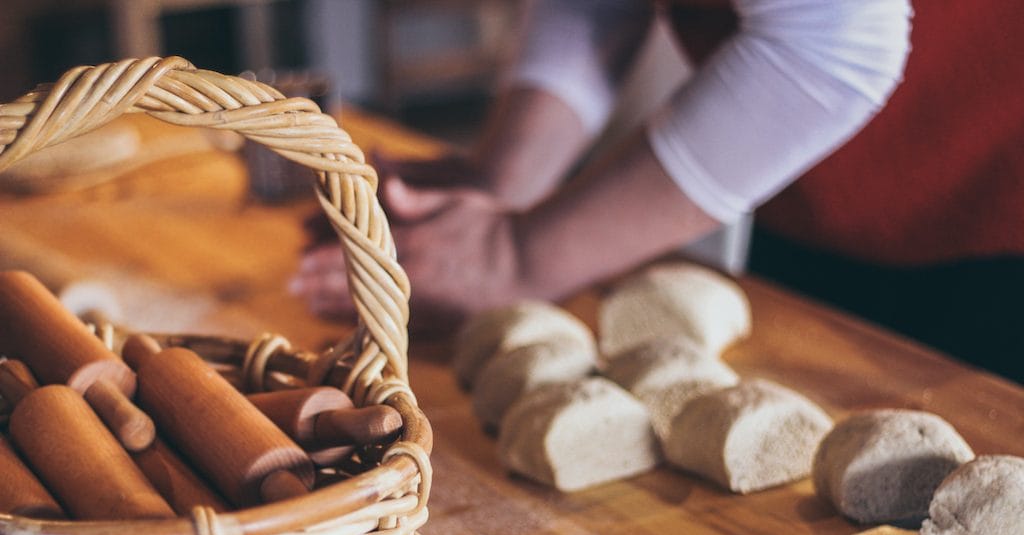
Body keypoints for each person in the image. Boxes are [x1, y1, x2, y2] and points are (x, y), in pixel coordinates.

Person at [290, 1, 1024, 381]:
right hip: (817, 198)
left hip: (997, 198)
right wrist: (507, 184)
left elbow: (829, 45)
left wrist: (517, 255)